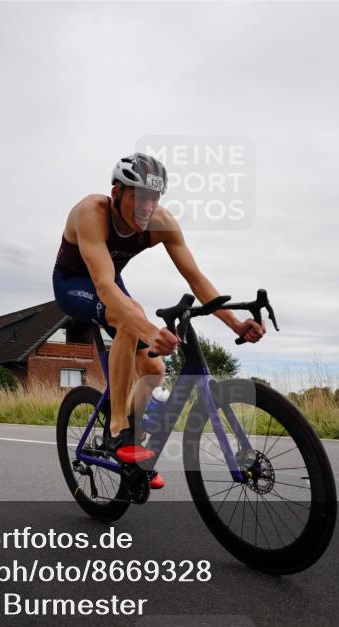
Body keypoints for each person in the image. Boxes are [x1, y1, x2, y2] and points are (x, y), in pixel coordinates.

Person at [52, 152, 265, 454]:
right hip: (73, 284)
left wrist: (235, 323)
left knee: (153, 368)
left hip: (111, 284)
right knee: (130, 315)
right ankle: (116, 428)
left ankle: (133, 435)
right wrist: (150, 331)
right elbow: (103, 285)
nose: (148, 208)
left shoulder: (161, 222)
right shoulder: (92, 212)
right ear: (117, 193)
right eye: (140, 198)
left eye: (154, 198)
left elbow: (196, 278)